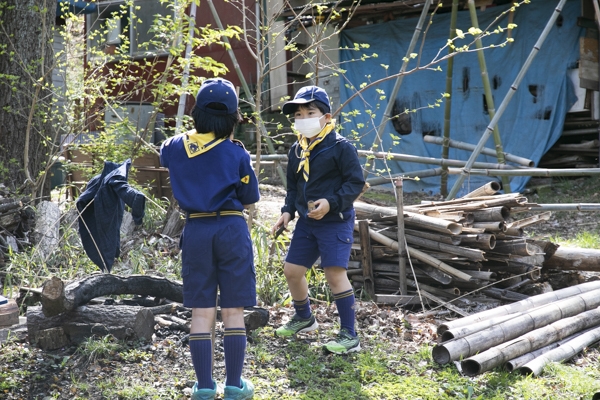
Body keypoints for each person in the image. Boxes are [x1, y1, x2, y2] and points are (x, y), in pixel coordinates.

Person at [160, 78, 259, 400]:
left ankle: (203, 387)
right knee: (233, 312)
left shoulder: (173, 147)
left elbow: (170, 161)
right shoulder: (236, 154)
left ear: (196, 114)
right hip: (231, 229)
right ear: (233, 119)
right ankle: (234, 385)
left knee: (201, 312)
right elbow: (249, 197)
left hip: (197, 231)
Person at [271, 85, 366, 354]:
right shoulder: (296, 150)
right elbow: (292, 187)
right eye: (298, 115)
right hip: (307, 222)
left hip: (335, 220)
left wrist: (330, 202)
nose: (303, 119)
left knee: (334, 274)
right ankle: (304, 317)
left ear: (326, 116)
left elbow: (355, 182)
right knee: (292, 271)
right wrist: (287, 211)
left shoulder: (341, 147)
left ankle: (349, 335)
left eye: (310, 112)